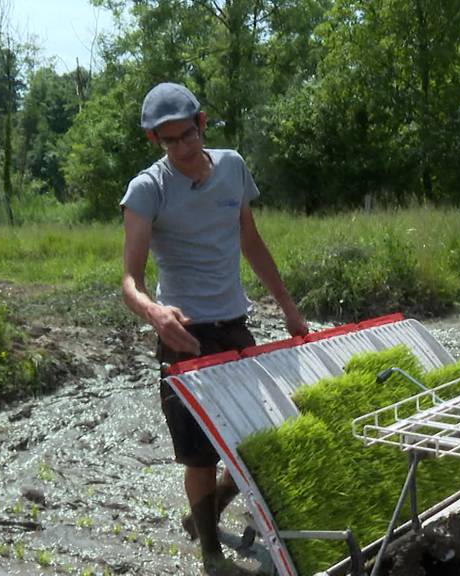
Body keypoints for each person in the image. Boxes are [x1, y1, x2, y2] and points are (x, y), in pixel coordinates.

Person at [120, 82, 307, 575]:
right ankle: (210, 555)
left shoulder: (232, 168)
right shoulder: (147, 190)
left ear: (202, 124)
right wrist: (154, 312)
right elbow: (129, 281)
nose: (181, 149)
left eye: (187, 135)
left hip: (234, 326)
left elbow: (251, 240)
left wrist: (287, 305)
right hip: (183, 336)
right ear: (154, 141)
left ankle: (204, 516)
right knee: (199, 455)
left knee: (252, 442)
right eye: (169, 141)